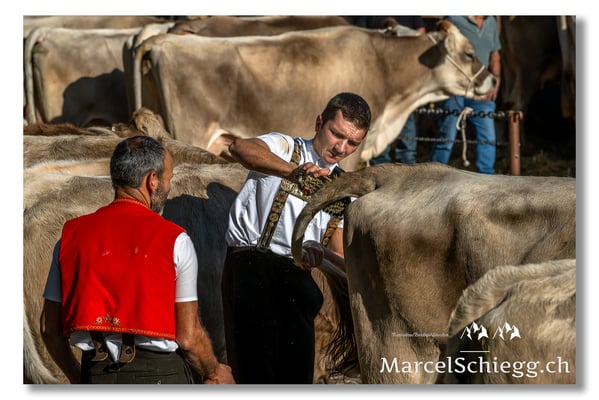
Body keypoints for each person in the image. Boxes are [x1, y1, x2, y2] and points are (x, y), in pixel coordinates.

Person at [39, 135, 235, 384]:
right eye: (168, 179)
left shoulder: (70, 237)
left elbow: (49, 328)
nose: (168, 186)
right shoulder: (175, 240)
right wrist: (214, 372)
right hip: (160, 376)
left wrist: (79, 379)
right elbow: (188, 336)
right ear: (152, 180)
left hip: (95, 374)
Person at [221, 92, 371, 384]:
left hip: (298, 278)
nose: (341, 148)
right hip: (251, 268)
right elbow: (239, 148)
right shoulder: (286, 147)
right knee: (254, 375)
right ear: (319, 123)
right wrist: (294, 173)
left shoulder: (343, 188)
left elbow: (339, 256)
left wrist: (321, 253)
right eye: (336, 134)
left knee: (296, 378)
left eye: (353, 143)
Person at [430, 16, 501, 174]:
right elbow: (441, 52)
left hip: (481, 88)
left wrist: (495, 80)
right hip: (456, 89)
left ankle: (487, 180)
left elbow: (494, 54)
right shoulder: (453, 20)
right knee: (447, 135)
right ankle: (432, 176)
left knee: (487, 137)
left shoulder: (491, 22)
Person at [353, 16, 426, 165]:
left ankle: (408, 173)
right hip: (377, 82)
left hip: (405, 83)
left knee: (407, 133)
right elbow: (358, 36)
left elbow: (422, 36)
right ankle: (382, 170)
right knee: (379, 133)